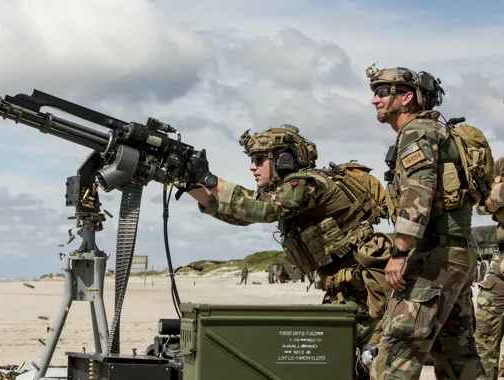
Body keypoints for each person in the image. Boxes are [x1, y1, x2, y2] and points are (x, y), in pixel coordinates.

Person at [182, 124, 393, 370]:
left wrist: (208, 179)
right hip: (345, 295)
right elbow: (242, 215)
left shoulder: (309, 183)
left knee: (356, 368)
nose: (252, 166)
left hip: (371, 296)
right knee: (337, 368)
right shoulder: (290, 195)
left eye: (259, 159)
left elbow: (263, 208)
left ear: (284, 160)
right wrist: (189, 184)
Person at [364, 63, 487, 379]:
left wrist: (400, 251)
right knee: (457, 353)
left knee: (397, 351)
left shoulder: (417, 131)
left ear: (406, 98)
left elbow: (419, 195)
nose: (374, 100)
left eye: (381, 92)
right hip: (458, 254)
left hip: (434, 256)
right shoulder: (438, 131)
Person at [475, 157, 504, 380]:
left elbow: (493, 200)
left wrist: (496, 188)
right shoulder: (501, 164)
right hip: (500, 259)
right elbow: (483, 205)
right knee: (484, 330)